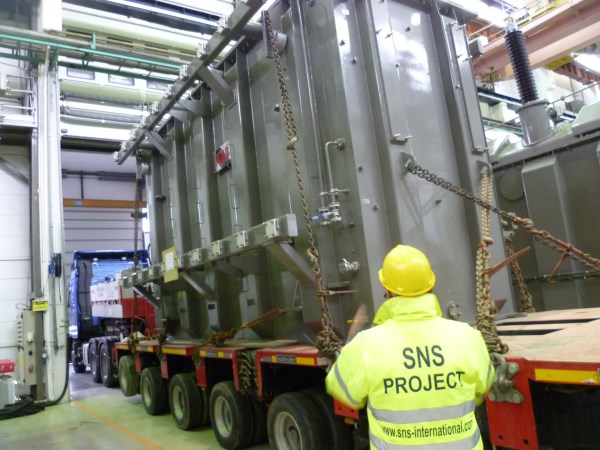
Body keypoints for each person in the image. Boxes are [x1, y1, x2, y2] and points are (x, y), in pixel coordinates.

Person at [325, 245, 494, 449]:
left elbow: (344, 390)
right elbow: (480, 391)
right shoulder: (469, 337)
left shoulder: (366, 345)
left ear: (388, 291)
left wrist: (349, 351)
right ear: (431, 286)